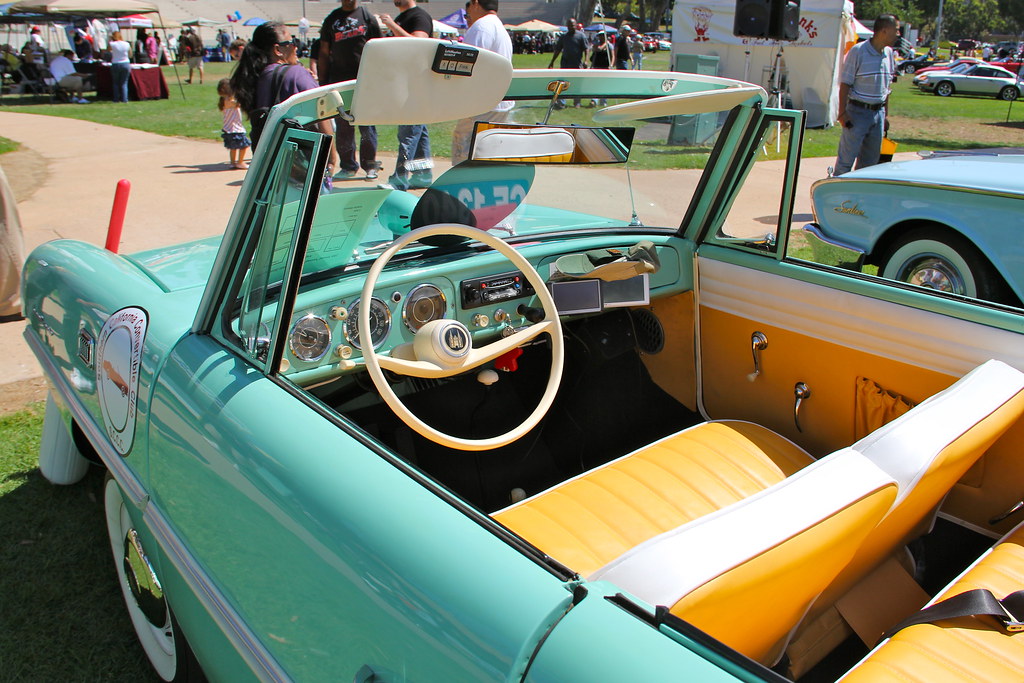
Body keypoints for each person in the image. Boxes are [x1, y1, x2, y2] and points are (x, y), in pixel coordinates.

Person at [230, 23, 339, 169]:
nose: (295, 47)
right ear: (278, 50)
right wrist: (331, 160)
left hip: (268, 163)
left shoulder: (257, 76)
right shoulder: (296, 73)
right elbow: (322, 116)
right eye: (292, 42)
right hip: (301, 163)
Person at [318, 0, 382, 179]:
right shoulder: (332, 19)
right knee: (343, 124)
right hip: (339, 81)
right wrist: (323, 80)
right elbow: (324, 51)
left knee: (366, 124)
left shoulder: (366, 17)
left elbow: (378, 48)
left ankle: (370, 165)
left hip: (365, 80)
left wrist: (379, 76)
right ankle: (348, 165)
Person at [833, 14, 900, 176]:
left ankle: (859, 198)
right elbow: (845, 84)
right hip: (857, 112)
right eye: (896, 30)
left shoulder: (889, 53)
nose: (898, 34)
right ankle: (837, 195)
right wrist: (842, 114)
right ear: (884, 31)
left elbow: (887, 87)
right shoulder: (858, 51)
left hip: (878, 113)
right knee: (846, 161)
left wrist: (885, 115)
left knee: (870, 163)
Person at [450, 0, 514, 165]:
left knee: (464, 154)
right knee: (488, 155)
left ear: (476, 3)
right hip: (498, 101)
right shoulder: (498, 27)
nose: (468, 14)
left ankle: (461, 188)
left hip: (481, 104)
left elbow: (467, 65)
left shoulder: (481, 27)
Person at [380, 0, 434, 189]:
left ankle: (400, 178)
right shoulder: (403, 17)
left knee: (409, 133)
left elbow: (419, 43)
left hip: (416, 84)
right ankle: (423, 174)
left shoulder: (419, 16)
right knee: (419, 132)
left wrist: (392, 26)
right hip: (406, 82)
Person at [548, 18, 588, 107]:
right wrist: (552, 62)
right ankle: (561, 103)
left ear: (576, 25)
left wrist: (586, 60)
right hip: (565, 64)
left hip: (577, 64)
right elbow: (558, 50)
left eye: (573, 25)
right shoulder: (563, 37)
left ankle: (577, 102)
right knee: (562, 83)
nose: (571, 27)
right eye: (569, 25)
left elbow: (586, 49)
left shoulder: (581, 36)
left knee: (577, 83)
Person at [217, 78, 250, 169]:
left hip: (229, 128)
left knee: (233, 147)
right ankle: (240, 162)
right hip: (235, 128)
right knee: (244, 146)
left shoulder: (224, 100)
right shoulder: (229, 101)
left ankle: (233, 162)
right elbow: (239, 103)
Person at [588, 31, 611, 106]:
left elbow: (613, 55)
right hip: (597, 66)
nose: (601, 37)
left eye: (603, 36)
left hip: (605, 67)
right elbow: (596, 51)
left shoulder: (609, 45)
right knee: (596, 84)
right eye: (600, 36)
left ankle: (603, 101)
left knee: (604, 85)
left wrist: (611, 65)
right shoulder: (597, 44)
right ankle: (594, 101)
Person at [109, 31, 131, 102]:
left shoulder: (112, 44)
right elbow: (130, 54)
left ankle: (116, 99)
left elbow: (108, 50)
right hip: (125, 63)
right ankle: (125, 99)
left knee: (115, 83)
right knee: (124, 83)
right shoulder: (127, 44)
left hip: (116, 63)